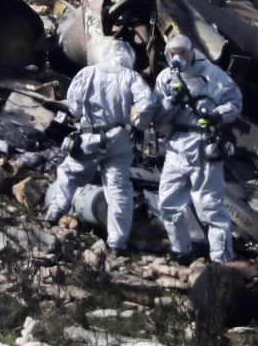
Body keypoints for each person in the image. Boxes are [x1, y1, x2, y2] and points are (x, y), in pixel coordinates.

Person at [41, 41, 156, 258]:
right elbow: (148, 103)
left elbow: (74, 105)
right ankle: (117, 244)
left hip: (90, 136)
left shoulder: (88, 73)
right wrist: (139, 125)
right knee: (118, 189)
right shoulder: (131, 77)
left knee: (70, 173)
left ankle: (54, 214)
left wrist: (83, 113)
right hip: (119, 137)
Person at [154, 35, 242, 265]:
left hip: (203, 145)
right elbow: (158, 116)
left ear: (191, 52)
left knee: (210, 205)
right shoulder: (165, 78)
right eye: (173, 54)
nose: (178, 58)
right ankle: (181, 251)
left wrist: (215, 115)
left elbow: (235, 102)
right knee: (168, 202)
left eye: (182, 53)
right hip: (176, 146)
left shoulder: (212, 74)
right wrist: (171, 102)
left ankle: (221, 259)